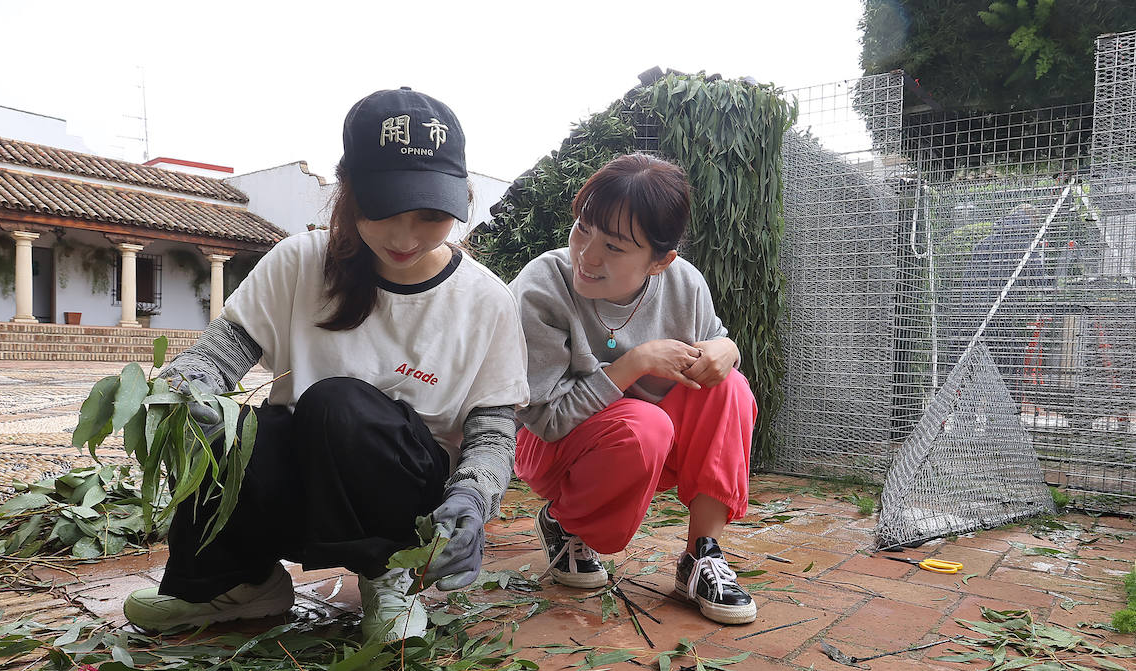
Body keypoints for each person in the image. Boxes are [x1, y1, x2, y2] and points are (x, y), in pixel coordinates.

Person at [124, 87, 529, 641]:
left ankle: (390, 576)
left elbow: (493, 427)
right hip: (301, 486)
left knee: (338, 403)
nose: (405, 237)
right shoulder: (299, 263)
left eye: (431, 216)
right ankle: (238, 582)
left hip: (404, 497)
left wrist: (473, 497)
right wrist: (185, 390)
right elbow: (220, 354)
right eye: (383, 210)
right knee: (224, 429)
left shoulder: (485, 300)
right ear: (348, 192)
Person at [511, 153, 758, 624]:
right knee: (643, 425)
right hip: (554, 447)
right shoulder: (543, 286)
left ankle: (702, 555)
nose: (587, 255)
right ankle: (566, 523)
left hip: (648, 446)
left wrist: (727, 349)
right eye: (583, 228)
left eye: (614, 246)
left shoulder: (684, 285)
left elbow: (717, 343)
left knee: (730, 389)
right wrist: (635, 363)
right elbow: (545, 419)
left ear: (661, 261)